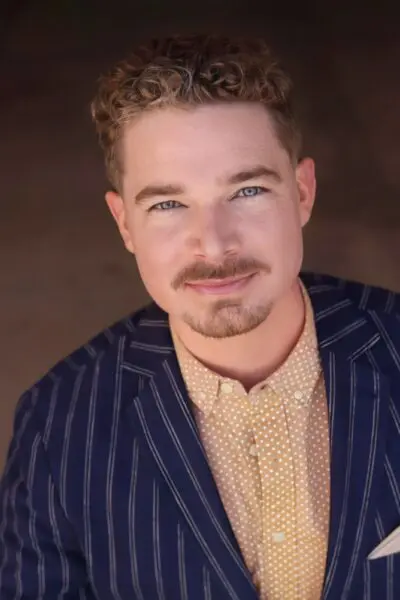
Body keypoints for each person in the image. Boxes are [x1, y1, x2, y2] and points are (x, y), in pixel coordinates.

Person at [1, 34, 400, 600]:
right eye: (167, 204)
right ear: (123, 224)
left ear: (303, 191)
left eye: (248, 190)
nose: (213, 244)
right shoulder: (58, 424)